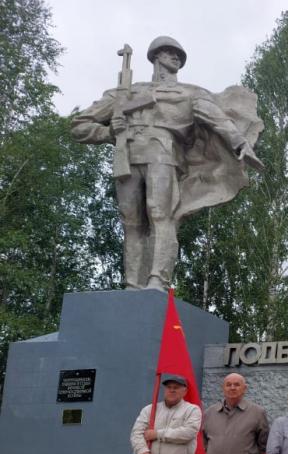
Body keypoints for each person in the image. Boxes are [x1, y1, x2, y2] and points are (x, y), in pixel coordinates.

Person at [71, 36, 262, 290]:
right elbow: (79, 126)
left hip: (163, 154)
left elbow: (216, 118)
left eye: (178, 55)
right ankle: (131, 284)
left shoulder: (190, 92)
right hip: (127, 156)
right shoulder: (127, 93)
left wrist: (239, 143)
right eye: (169, 52)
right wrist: (109, 133)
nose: (175, 57)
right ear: (156, 56)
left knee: (161, 214)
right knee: (131, 221)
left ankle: (157, 280)